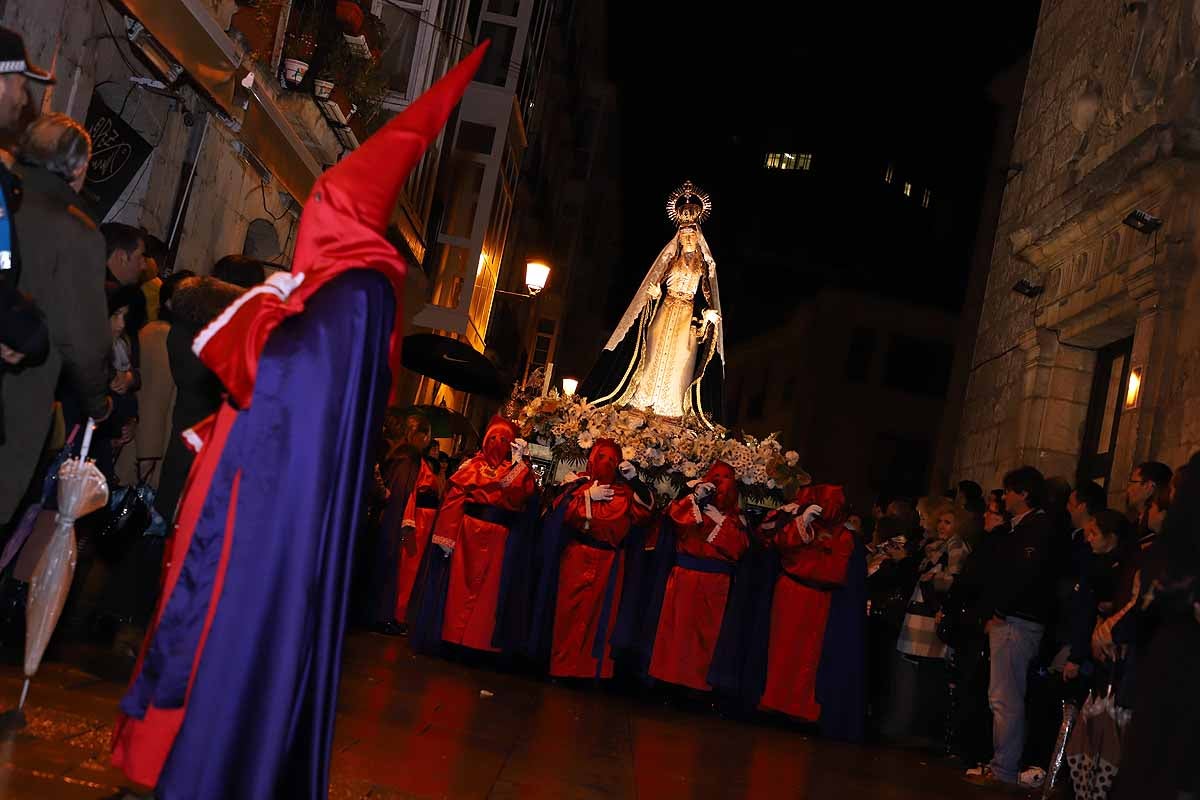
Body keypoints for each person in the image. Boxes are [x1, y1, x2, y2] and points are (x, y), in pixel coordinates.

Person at [110, 45, 488, 797]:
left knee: (223, 636)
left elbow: (290, 379)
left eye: (322, 205)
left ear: (339, 213)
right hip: (256, 485)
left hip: (264, 509)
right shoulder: (343, 287)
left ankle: (205, 765)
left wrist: (260, 319)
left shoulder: (356, 293)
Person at [0, 112, 110, 528]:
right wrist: (99, 403)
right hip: (16, 400)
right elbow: (84, 341)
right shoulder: (77, 233)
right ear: (79, 168)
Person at [580, 181, 725, 423]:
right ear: (678, 238)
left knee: (681, 359)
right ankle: (642, 401)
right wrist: (655, 295)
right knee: (653, 350)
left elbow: (705, 295)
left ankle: (670, 411)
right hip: (665, 310)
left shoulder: (703, 266)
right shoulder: (671, 261)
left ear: (698, 238)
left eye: (692, 236)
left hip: (686, 317)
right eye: (684, 236)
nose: (688, 240)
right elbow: (657, 282)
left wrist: (707, 314)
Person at [412, 415, 537, 655]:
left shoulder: (517, 470)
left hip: (498, 539)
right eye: (493, 438)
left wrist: (519, 463)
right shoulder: (471, 467)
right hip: (467, 536)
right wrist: (446, 537)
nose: (497, 443)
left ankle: (478, 645)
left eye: (504, 439)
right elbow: (453, 501)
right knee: (459, 589)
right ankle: (452, 638)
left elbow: (517, 494)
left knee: (488, 597)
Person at [965, 466, 1057, 788]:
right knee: (1001, 696)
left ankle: (1004, 767)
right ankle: (1000, 762)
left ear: (1024, 493)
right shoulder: (1020, 529)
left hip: (1017, 621)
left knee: (1005, 697)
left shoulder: (1036, 529)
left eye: (1008, 491)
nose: (1004, 498)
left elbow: (1023, 576)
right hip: (1012, 618)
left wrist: (1001, 611)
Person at [533, 439, 654, 679]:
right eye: (602, 457)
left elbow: (645, 512)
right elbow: (561, 511)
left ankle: (590, 671)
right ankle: (562, 666)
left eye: (612, 460)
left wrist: (635, 482)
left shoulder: (625, 494)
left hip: (609, 563)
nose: (607, 463)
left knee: (599, 618)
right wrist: (587, 497)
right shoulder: (578, 485)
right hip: (577, 556)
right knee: (568, 612)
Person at [645, 461, 749, 691]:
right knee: (675, 633)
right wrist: (695, 498)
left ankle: (696, 687)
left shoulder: (736, 519)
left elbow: (738, 548)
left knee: (705, 638)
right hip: (685, 577)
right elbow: (674, 517)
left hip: (715, 585)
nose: (721, 482)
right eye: (717, 476)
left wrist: (720, 521)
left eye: (727, 477)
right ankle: (667, 683)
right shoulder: (692, 504)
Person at [757, 484, 857, 722]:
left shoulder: (844, 535)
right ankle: (775, 700)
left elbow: (837, 569)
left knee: (809, 655)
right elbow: (772, 537)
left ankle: (800, 707)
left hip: (820, 598)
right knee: (782, 648)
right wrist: (801, 521)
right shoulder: (795, 521)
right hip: (792, 592)